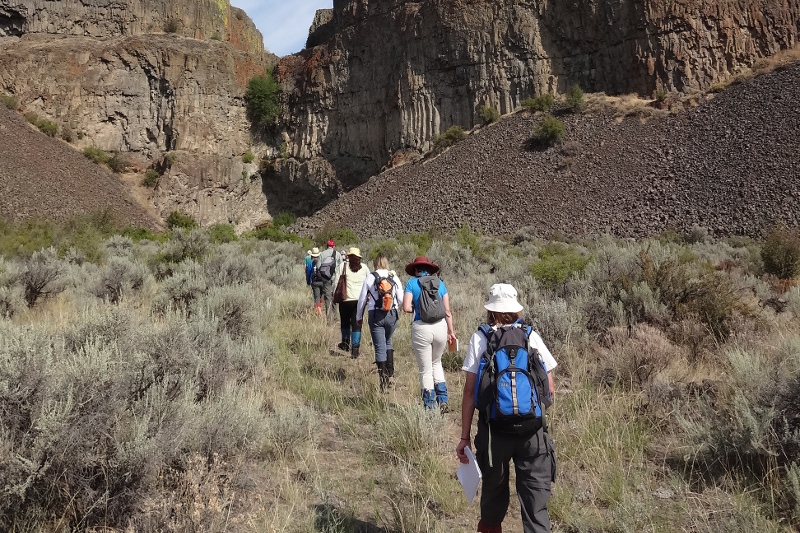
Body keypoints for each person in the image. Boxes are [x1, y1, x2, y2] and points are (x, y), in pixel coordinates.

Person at [456, 284, 557, 533]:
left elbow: (470, 392)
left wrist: (465, 437)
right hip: (532, 433)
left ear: (490, 310)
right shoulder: (530, 335)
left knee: (492, 496)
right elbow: (550, 389)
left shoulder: (480, 338)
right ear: (515, 309)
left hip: (493, 434)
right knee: (535, 505)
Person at [402, 256, 456, 411]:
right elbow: (447, 311)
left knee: (425, 369)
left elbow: (406, 308)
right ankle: (443, 400)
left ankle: (430, 405)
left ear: (416, 270)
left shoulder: (412, 283)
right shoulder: (441, 284)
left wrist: (419, 309)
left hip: (421, 328)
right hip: (440, 327)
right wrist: (451, 332)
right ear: (430, 269)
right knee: (436, 363)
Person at [356, 254, 404, 390]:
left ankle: (383, 380)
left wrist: (358, 317)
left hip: (376, 314)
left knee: (379, 346)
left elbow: (361, 300)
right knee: (388, 342)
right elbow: (401, 299)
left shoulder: (370, 277)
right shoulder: (394, 277)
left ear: (375, 263)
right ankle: (390, 374)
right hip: (392, 314)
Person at [337, 247, 370, 358]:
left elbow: (336, 282)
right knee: (357, 324)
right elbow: (369, 282)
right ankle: (355, 349)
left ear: (349, 256)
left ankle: (345, 343)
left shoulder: (343, 266)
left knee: (345, 321)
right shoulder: (364, 268)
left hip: (345, 299)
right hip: (360, 300)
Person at [317, 239, 343, 316]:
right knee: (334, 296)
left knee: (328, 298)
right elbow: (341, 266)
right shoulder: (338, 254)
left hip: (326, 279)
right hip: (336, 278)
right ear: (333, 246)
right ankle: (335, 316)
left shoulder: (322, 254)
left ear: (327, 246)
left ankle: (329, 318)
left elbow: (318, 266)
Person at [305, 247, 323, 314]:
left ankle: (319, 312)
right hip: (322, 281)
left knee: (316, 297)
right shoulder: (322, 260)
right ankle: (319, 310)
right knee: (320, 296)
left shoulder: (310, 262)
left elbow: (308, 273)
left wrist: (308, 282)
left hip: (315, 282)